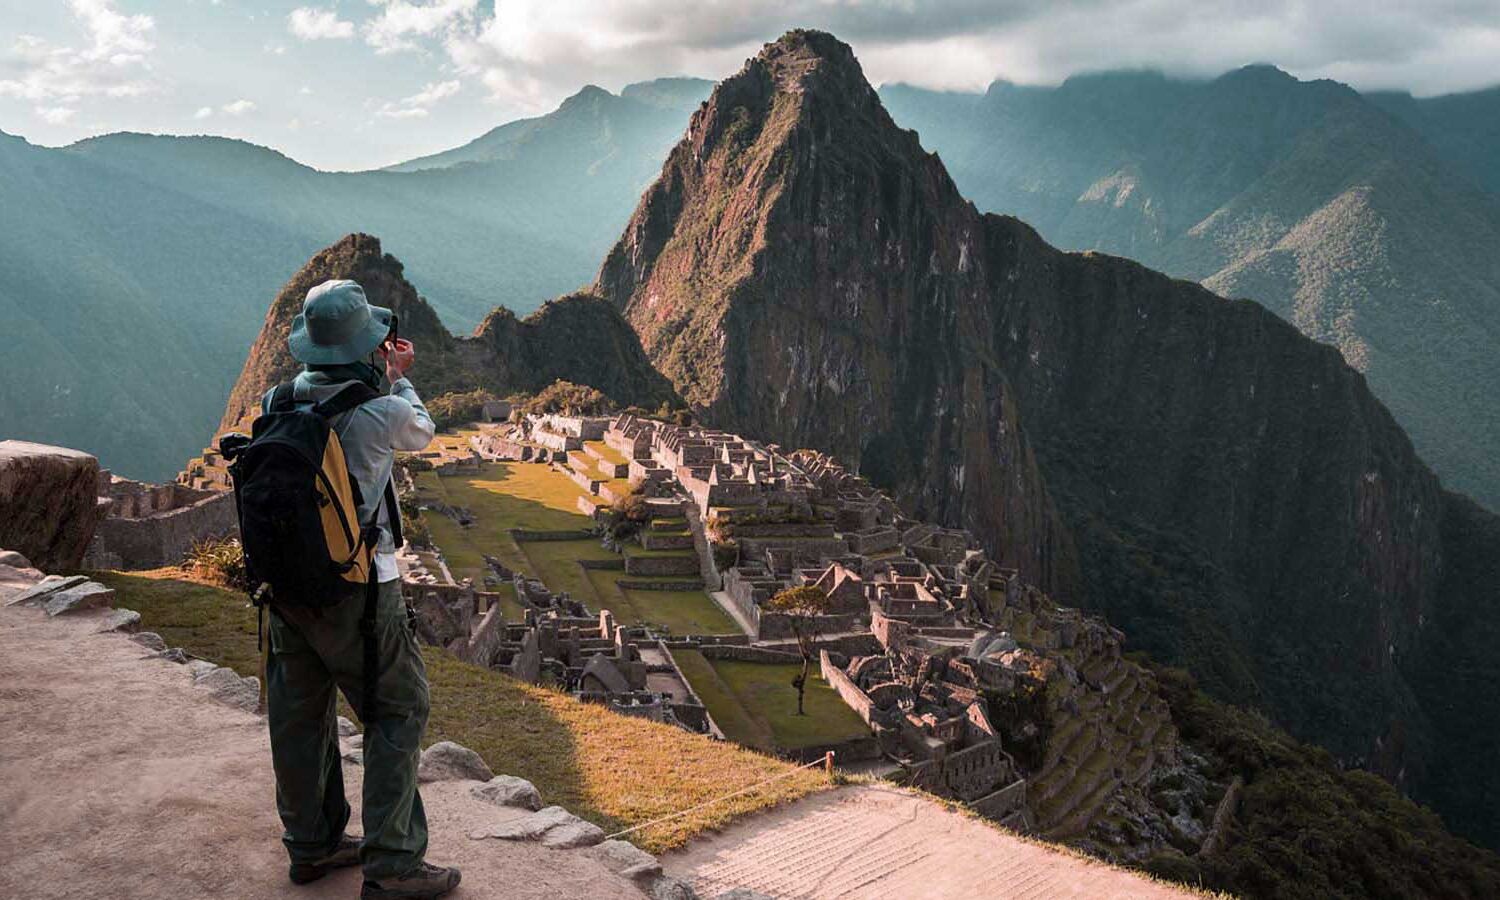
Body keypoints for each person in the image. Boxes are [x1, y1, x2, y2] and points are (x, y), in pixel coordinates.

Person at [259, 279, 460, 899]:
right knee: (397, 710)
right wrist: (398, 375)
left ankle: (312, 844)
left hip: (284, 588)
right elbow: (422, 431)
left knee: (299, 715)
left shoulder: (276, 401)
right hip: (362, 591)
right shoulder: (383, 411)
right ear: (368, 345)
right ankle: (394, 864)